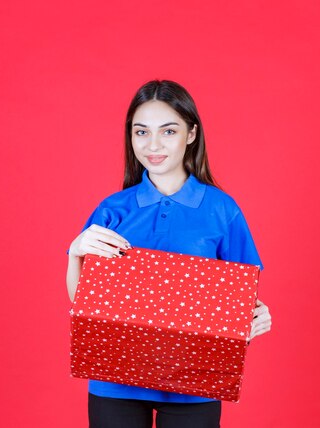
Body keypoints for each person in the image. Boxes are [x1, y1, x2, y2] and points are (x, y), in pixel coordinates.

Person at [66, 79, 272, 428]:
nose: (153, 145)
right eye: (141, 132)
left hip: (195, 381)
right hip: (115, 381)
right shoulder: (113, 210)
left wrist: (253, 318)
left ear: (191, 134)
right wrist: (74, 253)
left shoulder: (222, 210)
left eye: (169, 131)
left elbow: (240, 296)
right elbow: (85, 307)